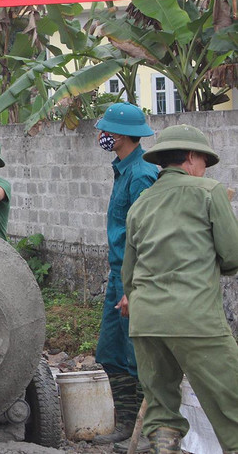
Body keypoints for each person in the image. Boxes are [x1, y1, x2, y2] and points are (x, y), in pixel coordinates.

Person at [120, 124, 238, 453]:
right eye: (204, 163)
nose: (204, 171)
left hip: (146, 323)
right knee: (232, 402)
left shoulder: (141, 204)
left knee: (162, 409)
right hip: (195, 319)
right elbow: (232, 255)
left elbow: (128, 275)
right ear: (190, 157)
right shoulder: (209, 192)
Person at [91, 102, 157, 449]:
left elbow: (147, 235)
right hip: (118, 275)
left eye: (106, 131)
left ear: (120, 136)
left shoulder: (142, 173)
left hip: (133, 278)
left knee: (137, 356)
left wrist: (135, 287)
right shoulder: (123, 169)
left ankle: (145, 432)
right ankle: (125, 425)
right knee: (112, 353)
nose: (101, 135)